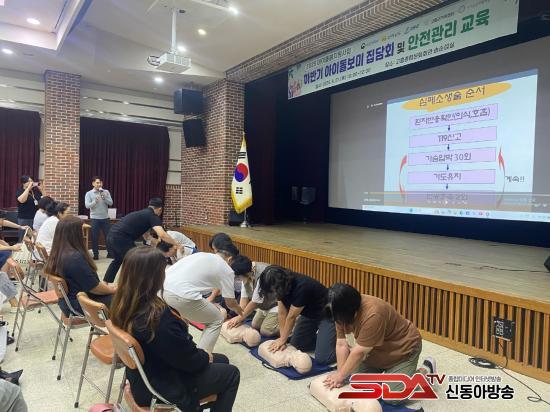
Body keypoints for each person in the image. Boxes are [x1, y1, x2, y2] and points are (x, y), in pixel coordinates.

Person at [110, 246, 240, 411]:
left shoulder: (121, 304)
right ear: (156, 276)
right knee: (231, 374)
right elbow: (189, 361)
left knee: (222, 360)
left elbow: (177, 349)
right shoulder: (157, 318)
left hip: (143, 378)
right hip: (162, 386)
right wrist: (204, 356)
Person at [323, 283, 435, 405]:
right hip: (374, 351)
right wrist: (340, 375)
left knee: (392, 396)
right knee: (356, 383)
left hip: (402, 350)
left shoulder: (373, 313)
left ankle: (425, 371)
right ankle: (392, 376)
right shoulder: (340, 311)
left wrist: (340, 375)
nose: (337, 321)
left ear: (348, 310)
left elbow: (359, 352)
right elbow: (341, 344)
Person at [163, 250, 249, 353]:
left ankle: (184, 350)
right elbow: (230, 303)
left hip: (162, 289)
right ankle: (203, 357)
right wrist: (240, 313)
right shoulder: (226, 269)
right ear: (229, 259)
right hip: (181, 295)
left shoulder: (203, 255)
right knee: (217, 319)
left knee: (181, 318)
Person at [259, 265, 336, 365]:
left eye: (273, 290)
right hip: (309, 314)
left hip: (327, 315)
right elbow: (282, 313)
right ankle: (325, 341)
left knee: (323, 358)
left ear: (280, 286)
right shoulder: (279, 287)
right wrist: (282, 338)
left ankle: (340, 346)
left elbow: (291, 317)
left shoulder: (301, 286)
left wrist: (282, 340)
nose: (273, 293)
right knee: (297, 344)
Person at [44, 216, 116, 316]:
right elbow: (95, 288)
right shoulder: (74, 258)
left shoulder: (58, 252)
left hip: (69, 302)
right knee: (129, 300)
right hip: (81, 304)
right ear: (75, 234)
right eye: (81, 231)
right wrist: (113, 289)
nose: (84, 234)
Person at [103, 198, 177, 283]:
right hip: (122, 238)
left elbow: (147, 237)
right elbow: (162, 234)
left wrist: (158, 245)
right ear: (160, 209)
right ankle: (135, 285)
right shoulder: (153, 216)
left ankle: (105, 283)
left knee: (118, 260)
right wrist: (177, 244)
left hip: (111, 236)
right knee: (138, 261)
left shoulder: (142, 214)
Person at [226, 256, 279, 337]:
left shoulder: (264, 273)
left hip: (277, 303)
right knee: (255, 325)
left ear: (247, 274)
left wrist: (240, 317)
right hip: (264, 304)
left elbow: (255, 302)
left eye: (238, 277)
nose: (238, 279)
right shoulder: (245, 271)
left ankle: (291, 327)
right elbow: (244, 299)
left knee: (266, 331)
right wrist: (240, 317)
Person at [84, 176, 114, 260]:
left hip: (105, 218)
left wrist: (104, 197)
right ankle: (96, 254)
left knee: (108, 237)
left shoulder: (106, 192)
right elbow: (87, 206)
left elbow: (111, 203)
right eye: (97, 183)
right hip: (95, 218)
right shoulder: (89, 193)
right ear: (93, 183)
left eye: (100, 183)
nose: (99, 184)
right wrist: (95, 201)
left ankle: (110, 253)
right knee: (95, 237)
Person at [15, 175, 44, 241]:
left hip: (36, 218)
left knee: (35, 238)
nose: (31, 182)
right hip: (25, 218)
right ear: (23, 183)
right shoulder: (20, 191)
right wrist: (28, 189)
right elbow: (22, 200)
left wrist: (42, 190)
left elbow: (45, 201)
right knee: (24, 238)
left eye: (32, 181)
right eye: (29, 181)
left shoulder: (35, 191)